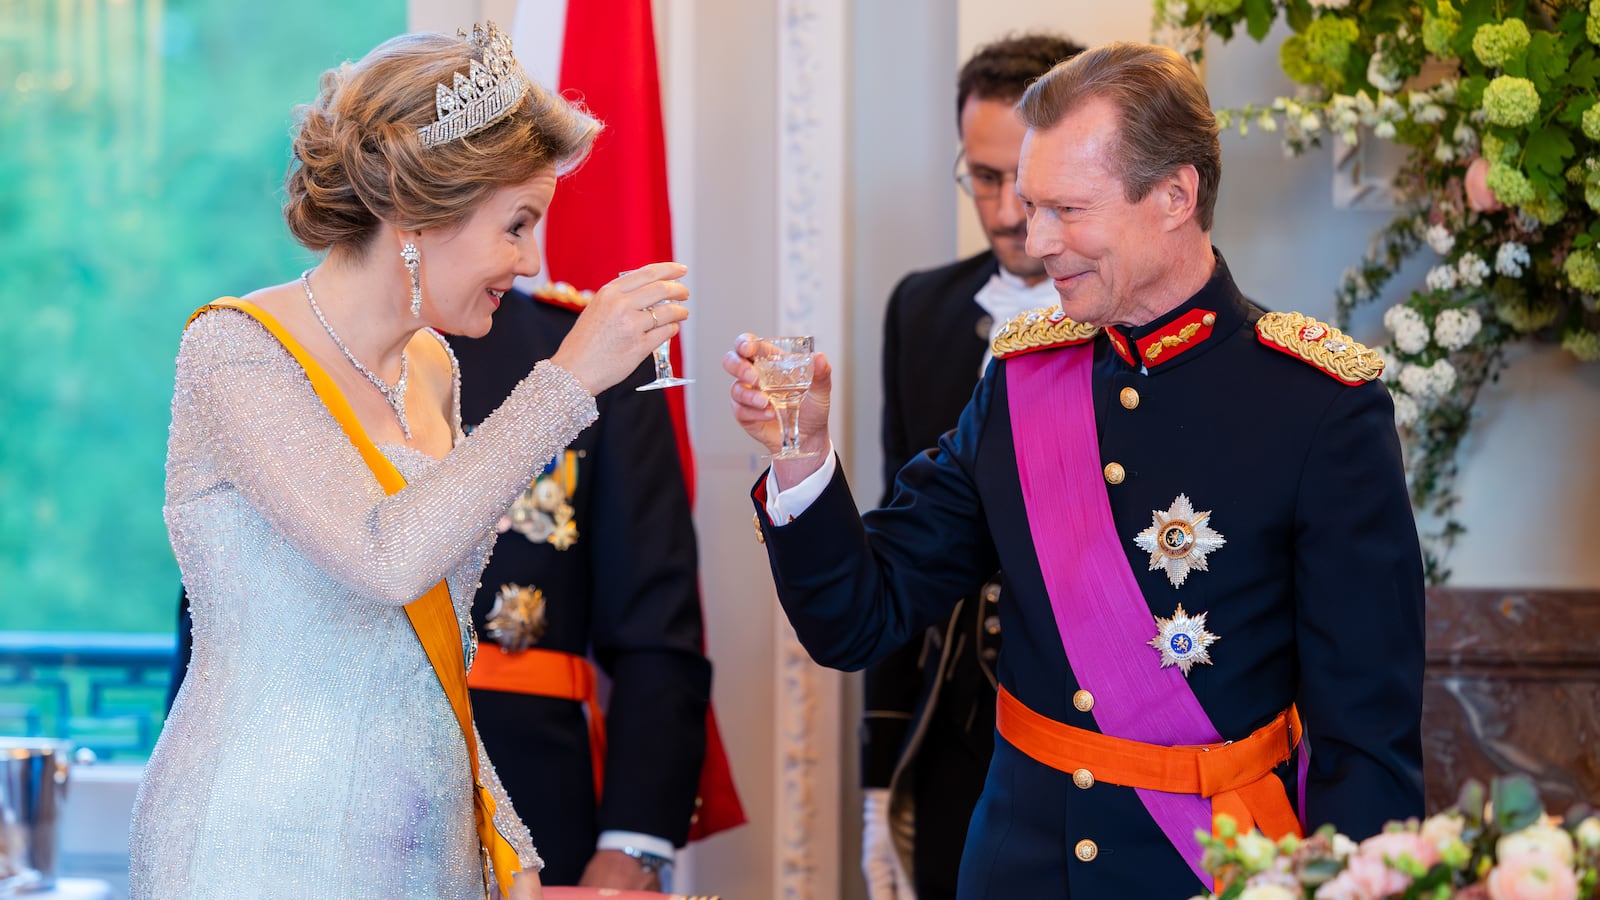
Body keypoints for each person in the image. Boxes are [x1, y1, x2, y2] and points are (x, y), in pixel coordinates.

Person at [726, 42, 1425, 899]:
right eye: (1029, 205)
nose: (1034, 238)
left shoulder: (1318, 405)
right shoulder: (1021, 386)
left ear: (1176, 196)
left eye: (1068, 209)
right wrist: (801, 452)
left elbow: (1367, 741)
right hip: (1016, 872)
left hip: (1211, 872)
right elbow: (859, 619)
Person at [129, 23, 689, 900]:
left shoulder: (432, 366)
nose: (533, 261)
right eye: (517, 224)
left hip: (421, 846)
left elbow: (426, 659)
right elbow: (386, 559)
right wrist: (569, 381)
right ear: (422, 217)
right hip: (256, 839)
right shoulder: (236, 350)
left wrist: (504, 836)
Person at [862, 33, 1083, 900]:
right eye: (981, 178)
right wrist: (880, 768)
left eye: (1018, 182)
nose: (999, 210)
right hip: (951, 729)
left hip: (1096, 729)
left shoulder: (1130, 310)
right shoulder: (922, 310)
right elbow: (894, 531)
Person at [445, 283, 709, 890]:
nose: (531, 259)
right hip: (322, 798)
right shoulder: (294, 352)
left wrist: (633, 844)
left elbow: (657, 624)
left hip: (534, 795)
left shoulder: (585, 348)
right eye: (516, 224)